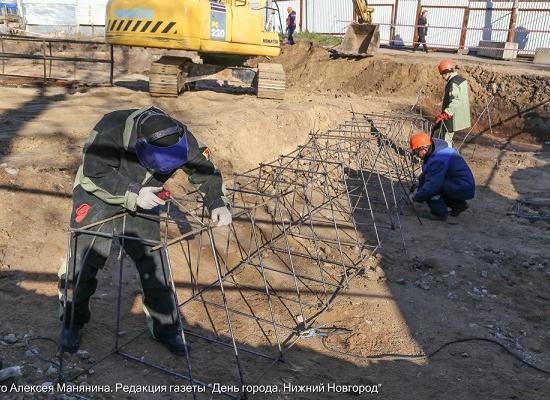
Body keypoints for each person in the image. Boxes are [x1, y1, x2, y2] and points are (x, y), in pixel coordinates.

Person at [58, 106, 232, 355]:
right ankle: (72, 322)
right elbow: (94, 173)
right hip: (99, 191)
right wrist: (133, 192)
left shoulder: (182, 138)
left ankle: (165, 328)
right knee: (84, 261)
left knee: (154, 261)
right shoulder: (110, 129)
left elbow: (205, 170)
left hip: (146, 193)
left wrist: (216, 201)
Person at [409, 131, 475, 221]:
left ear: (424, 149)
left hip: (462, 187)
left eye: (416, 153)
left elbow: (432, 187)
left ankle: (439, 214)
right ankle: (459, 205)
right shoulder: (437, 151)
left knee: (432, 188)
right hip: (461, 184)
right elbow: (428, 175)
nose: (417, 156)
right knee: (425, 179)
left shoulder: (438, 158)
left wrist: (416, 197)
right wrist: (419, 184)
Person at [433, 59, 472, 147]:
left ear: (446, 73)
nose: (442, 77)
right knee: (448, 137)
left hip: (453, 116)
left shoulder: (453, 83)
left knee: (446, 139)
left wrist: (446, 113)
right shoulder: (461, 80)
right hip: (460, 115)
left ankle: (448, 158)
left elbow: (456, 100)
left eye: (442, 75)